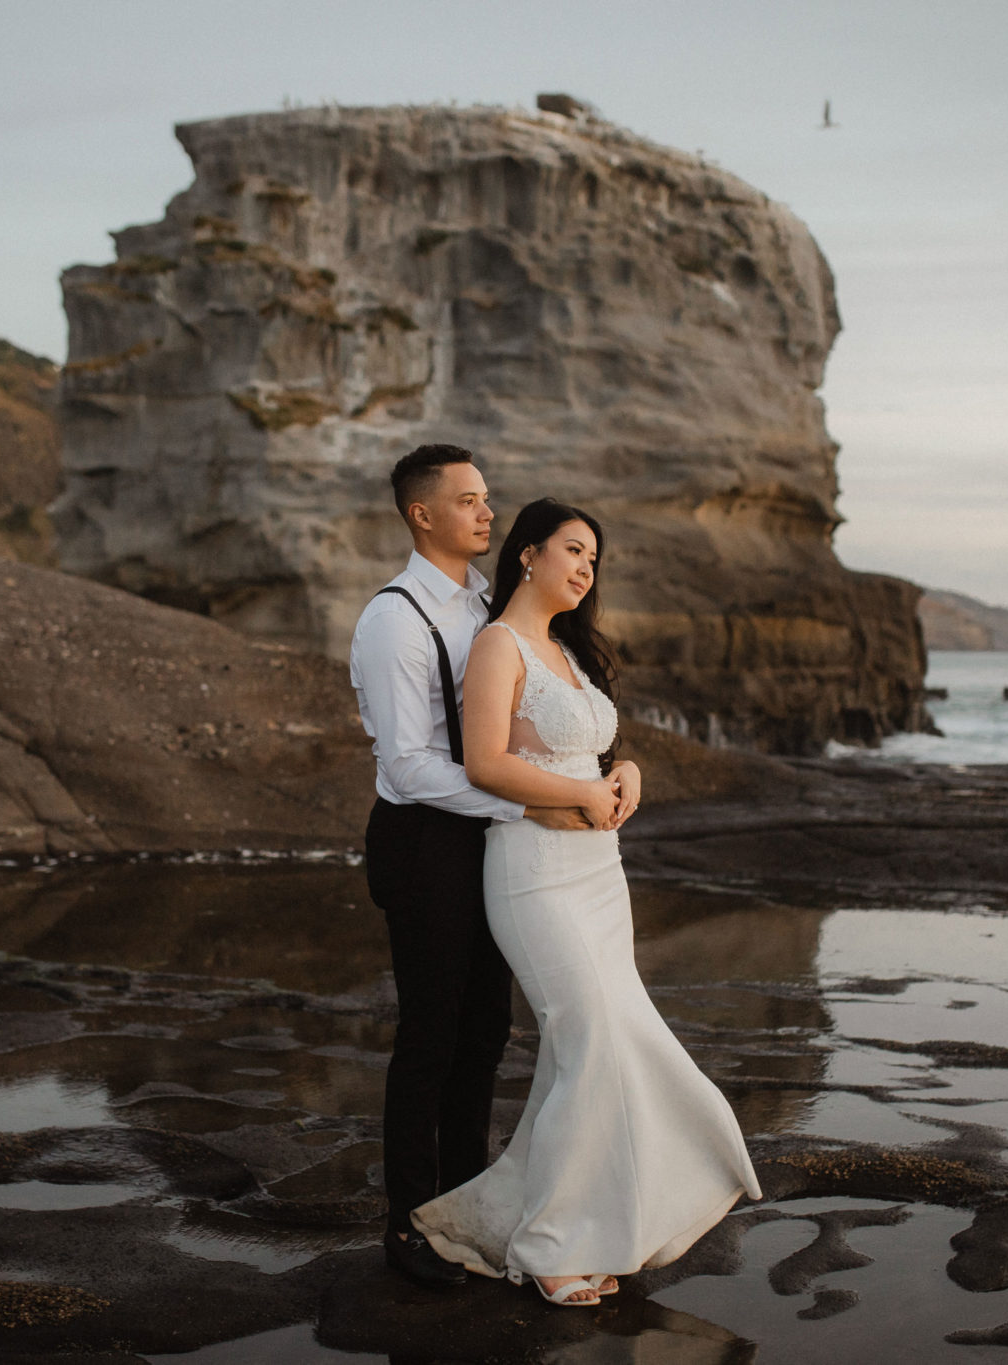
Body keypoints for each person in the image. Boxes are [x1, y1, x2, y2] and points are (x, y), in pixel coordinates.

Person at [409, 497, 762, 1308]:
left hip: (601, 871)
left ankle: (561, 1223)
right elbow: (484, 762)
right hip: (534, 873)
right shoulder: (498, 644)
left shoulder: (569, 650)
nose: (584, 568)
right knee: (594, 1038)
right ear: (528, 554)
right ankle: (548, 1246)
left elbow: (596, 751)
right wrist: (578, 790)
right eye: (572, 550)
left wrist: (628, 775)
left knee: (587, 1051)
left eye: (594, 560)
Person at [349, 446, 593, 1289]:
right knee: (431, 1035)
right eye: (469, 501)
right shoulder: (393, 618)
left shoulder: (488, 605)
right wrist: (529, 800)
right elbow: (409, 764)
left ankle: (466, 1206)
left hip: (486, 842)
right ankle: (410, 1225)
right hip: (421, 842)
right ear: (423, 515)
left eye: (489, 500)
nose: (488, 514)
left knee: (485, 1031)